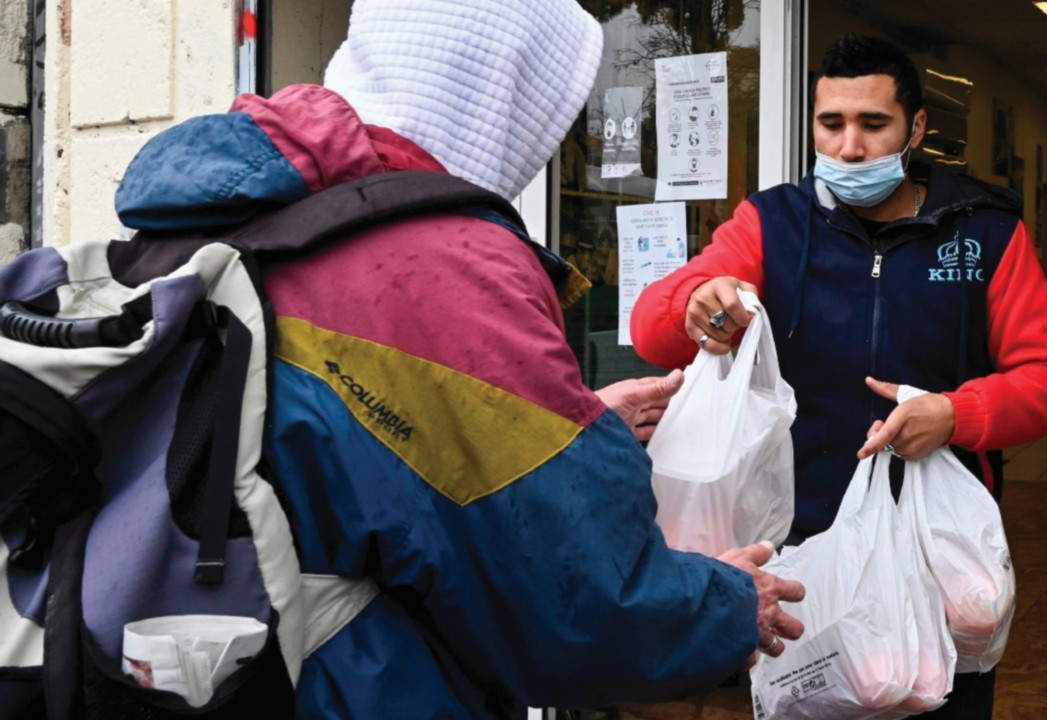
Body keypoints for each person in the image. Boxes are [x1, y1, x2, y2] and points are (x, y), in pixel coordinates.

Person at [110, 1, 804, 717]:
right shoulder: (439, 260)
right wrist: (726, 608)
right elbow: (578, 603)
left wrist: (573, 423)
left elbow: (328, 446)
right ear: (502, 91)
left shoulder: (228, 215)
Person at [630, 33, 1047, 718]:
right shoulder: (772, 223)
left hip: (936, 556)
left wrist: (955, 416)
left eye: (873, 124)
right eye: (831, 124)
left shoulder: (983, 232)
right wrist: (696, 301)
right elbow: (650, 330)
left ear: (916, 128)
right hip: (800, 564)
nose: (848, 147)